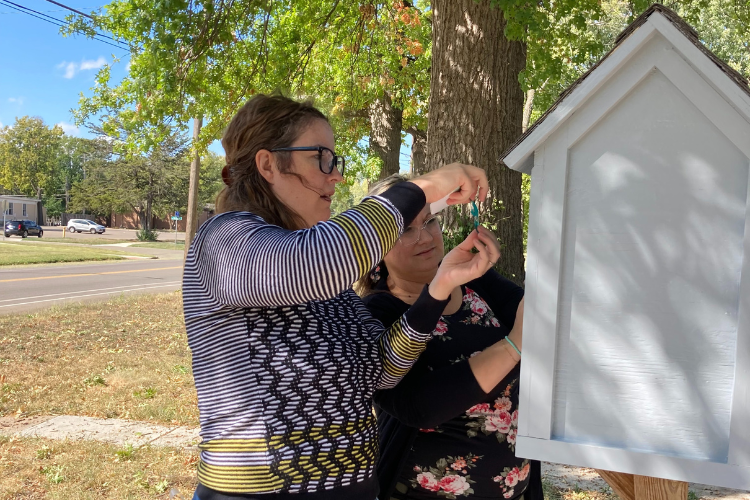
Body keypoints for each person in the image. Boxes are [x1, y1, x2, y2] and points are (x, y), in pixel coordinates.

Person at [183, 94, 498, 500]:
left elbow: (382, 370)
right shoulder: (225, 240)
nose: (336, 177)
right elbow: (312, 263)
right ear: (267, 165)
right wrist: (425, 187)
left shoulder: (323, 276)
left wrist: (438, 288)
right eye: (321, 158)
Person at [358, 174, 542, 500]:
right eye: (405, 230)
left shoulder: (477, 282)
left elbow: (539, 317)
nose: (424, 237)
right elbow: (419, 405)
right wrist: (513, 346)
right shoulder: (376, 312)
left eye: (429, 221)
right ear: (376, 247)